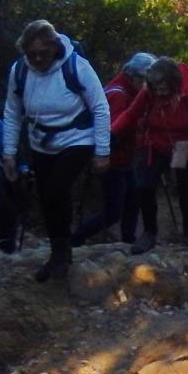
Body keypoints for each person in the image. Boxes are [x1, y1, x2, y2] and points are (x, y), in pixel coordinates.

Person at [0, 20, 111, 283]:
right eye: (32, 54)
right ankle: (57, 252)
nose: (38, 59)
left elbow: (100, 107)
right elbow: (12, 112)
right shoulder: (19, 71)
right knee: (46, 198)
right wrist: (9, 153)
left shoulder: (77, 67)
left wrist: (102, 151)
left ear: (55, 47)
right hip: (40, 142)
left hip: (77, 138)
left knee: (56, 190)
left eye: (44, 53)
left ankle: (63, 254)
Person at [111, 55, 188, 254]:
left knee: (185, 189)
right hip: (155, 143)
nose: (160, 93)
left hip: (185, 145)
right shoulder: (148, 92)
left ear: (174, 84)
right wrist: (111, 134)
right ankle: (149, 233)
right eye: (157, 89)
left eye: (164, 89)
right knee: (145, 186)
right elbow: (130, 115)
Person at [70, 52, 154, 247]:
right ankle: (76, 238)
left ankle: (128, 241)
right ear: (135, 77)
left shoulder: (127, 91)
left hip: (124, 158)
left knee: (132, 202)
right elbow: (112, 129)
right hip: (113, 160)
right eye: (146, 80)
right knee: (114, 211)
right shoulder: (118, 94)